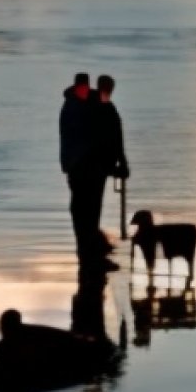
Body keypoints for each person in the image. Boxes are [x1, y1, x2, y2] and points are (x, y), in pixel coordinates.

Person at [59, 72, 107, 267]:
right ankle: (87, 249)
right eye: (81, 88)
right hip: (78, 167)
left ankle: (90, 247)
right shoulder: (71, 108)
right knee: (82, 208)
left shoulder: (85, 106)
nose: (84, 91)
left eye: (85, 87)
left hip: (89, 167)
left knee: (90, 208)